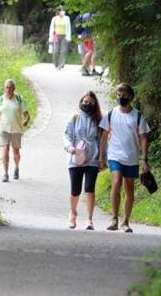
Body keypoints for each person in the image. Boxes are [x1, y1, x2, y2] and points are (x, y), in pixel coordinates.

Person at [98, 83, 150, 233]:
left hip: (132, 156)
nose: (121, 97)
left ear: (131, 96)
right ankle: (114, 218)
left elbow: (144, 138)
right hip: (115, 155)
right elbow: (104, 136)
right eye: (118, 95)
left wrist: (145, 159)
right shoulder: (111, 114)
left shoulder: (138, 116)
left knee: (129, 188)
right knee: (116, 182)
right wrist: (101, 156)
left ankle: (125, 221)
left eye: (124, 95)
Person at [63, 91, 102, 230]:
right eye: (85, 102)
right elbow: (67, 135)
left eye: (90, 103)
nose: (87, 104)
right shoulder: (74, 117)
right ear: (81, 102)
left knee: (89, 188)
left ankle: (89, 219)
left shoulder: (98, 120)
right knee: (75, 189)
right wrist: (69, 147)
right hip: (76, 157)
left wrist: (103, 158)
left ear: (94, 104)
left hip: (92, 157)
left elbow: (102, 141)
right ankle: (73, 213)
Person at [0, 79, 30, 182]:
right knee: (5, 149)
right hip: (4, 128)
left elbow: (26, 114)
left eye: (11, 88)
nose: (8, 90)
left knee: (15, 151)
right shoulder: (0, 100)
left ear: (14, 89)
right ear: (4, 88)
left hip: (16, 128)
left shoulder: (19, 99)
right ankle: (5, 173)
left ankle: (16, 168)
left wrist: (25, 121)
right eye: (7, 88)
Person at [75, 12, 100, 76]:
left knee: (89, 52)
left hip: (84, 35)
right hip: (88, 36)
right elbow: (91, 26)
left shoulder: (84, 15)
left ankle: (85, 69)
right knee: (90, 51)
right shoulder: (89, 16)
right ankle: (84, 67)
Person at [48, 6, 71, 70]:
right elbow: (51, 28)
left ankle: (61, 66)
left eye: (63, 10)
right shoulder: (54, 18)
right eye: (61, 10)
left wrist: (68, 37)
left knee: (63, 51)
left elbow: (69, 28)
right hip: (56, 36)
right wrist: (50, 38)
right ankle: (56, 64)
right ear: (58, 11)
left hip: (64, 36)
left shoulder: (67, 18)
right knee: (55, 51)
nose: (62, 12)